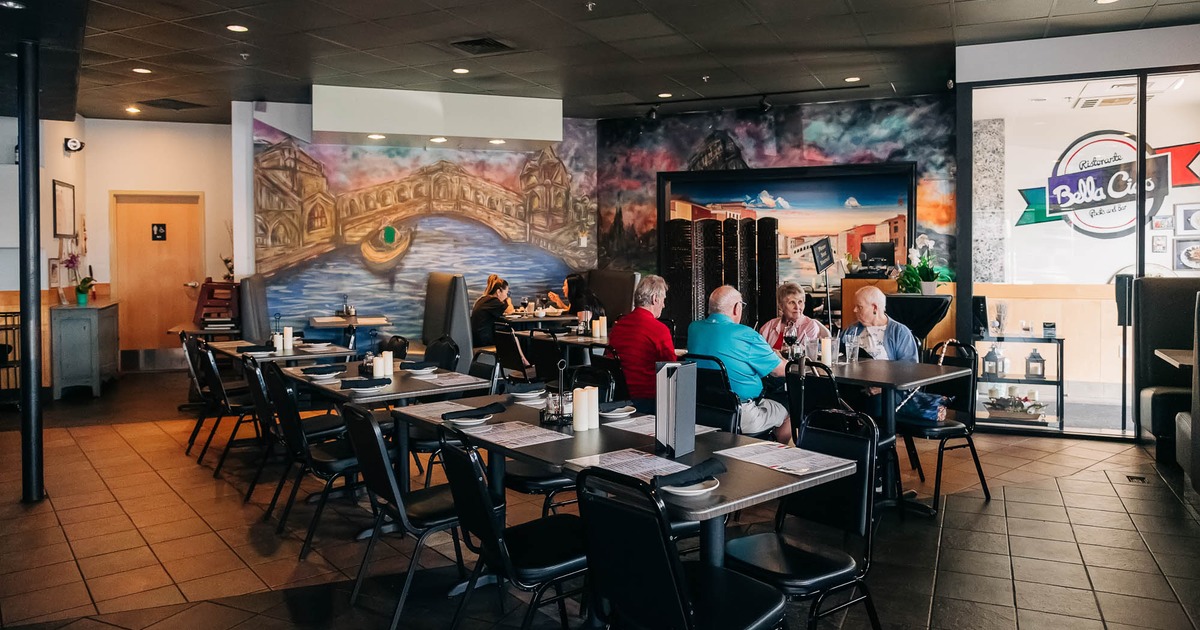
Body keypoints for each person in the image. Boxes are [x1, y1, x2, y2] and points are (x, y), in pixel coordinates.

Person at [687, 286, 791, 444]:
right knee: (792, 405)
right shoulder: (746, 334)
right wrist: (784, 360)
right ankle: (772, 455)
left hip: (703, 411)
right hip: (741, 415)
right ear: (737, 308)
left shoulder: (694, 328)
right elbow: (780, 371)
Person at [607, 275, 675, 411]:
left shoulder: (619, 326)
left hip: (618, 397)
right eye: (663, 300)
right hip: (649, 400)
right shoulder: (659, 330)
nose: (664, 305)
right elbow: (672, 370)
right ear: (655, 299)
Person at [842, 286, 919, 363]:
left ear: (875, 308)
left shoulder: (899, 332)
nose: (854, 310)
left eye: (859, 307)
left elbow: (909, 367)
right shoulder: (850, 330)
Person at [758, 282, 830, 352]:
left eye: (800, 302)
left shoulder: (810, 326)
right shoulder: (768, 327)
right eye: (792, 302)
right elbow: (758, 352)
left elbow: (805, 354)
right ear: (780, 306)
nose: (797, 307)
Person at [470, 276, 512, 347]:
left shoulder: (483, 299)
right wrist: (508, 300)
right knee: (511, 340)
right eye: (506, 293)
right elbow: (510, 310)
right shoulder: (493, 301)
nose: (506, 296)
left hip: (476, 340)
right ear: (498, 292)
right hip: (484, 342)